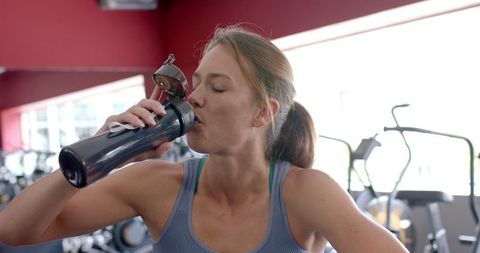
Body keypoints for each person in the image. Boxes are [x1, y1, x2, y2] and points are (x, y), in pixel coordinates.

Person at [0, 24, 408, 253]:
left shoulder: (305, 193)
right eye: (196, 84)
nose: (194, 98)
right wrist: (104, 151)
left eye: (218, 87)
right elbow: (15, 231)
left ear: (262, 112)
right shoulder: (159, 184)